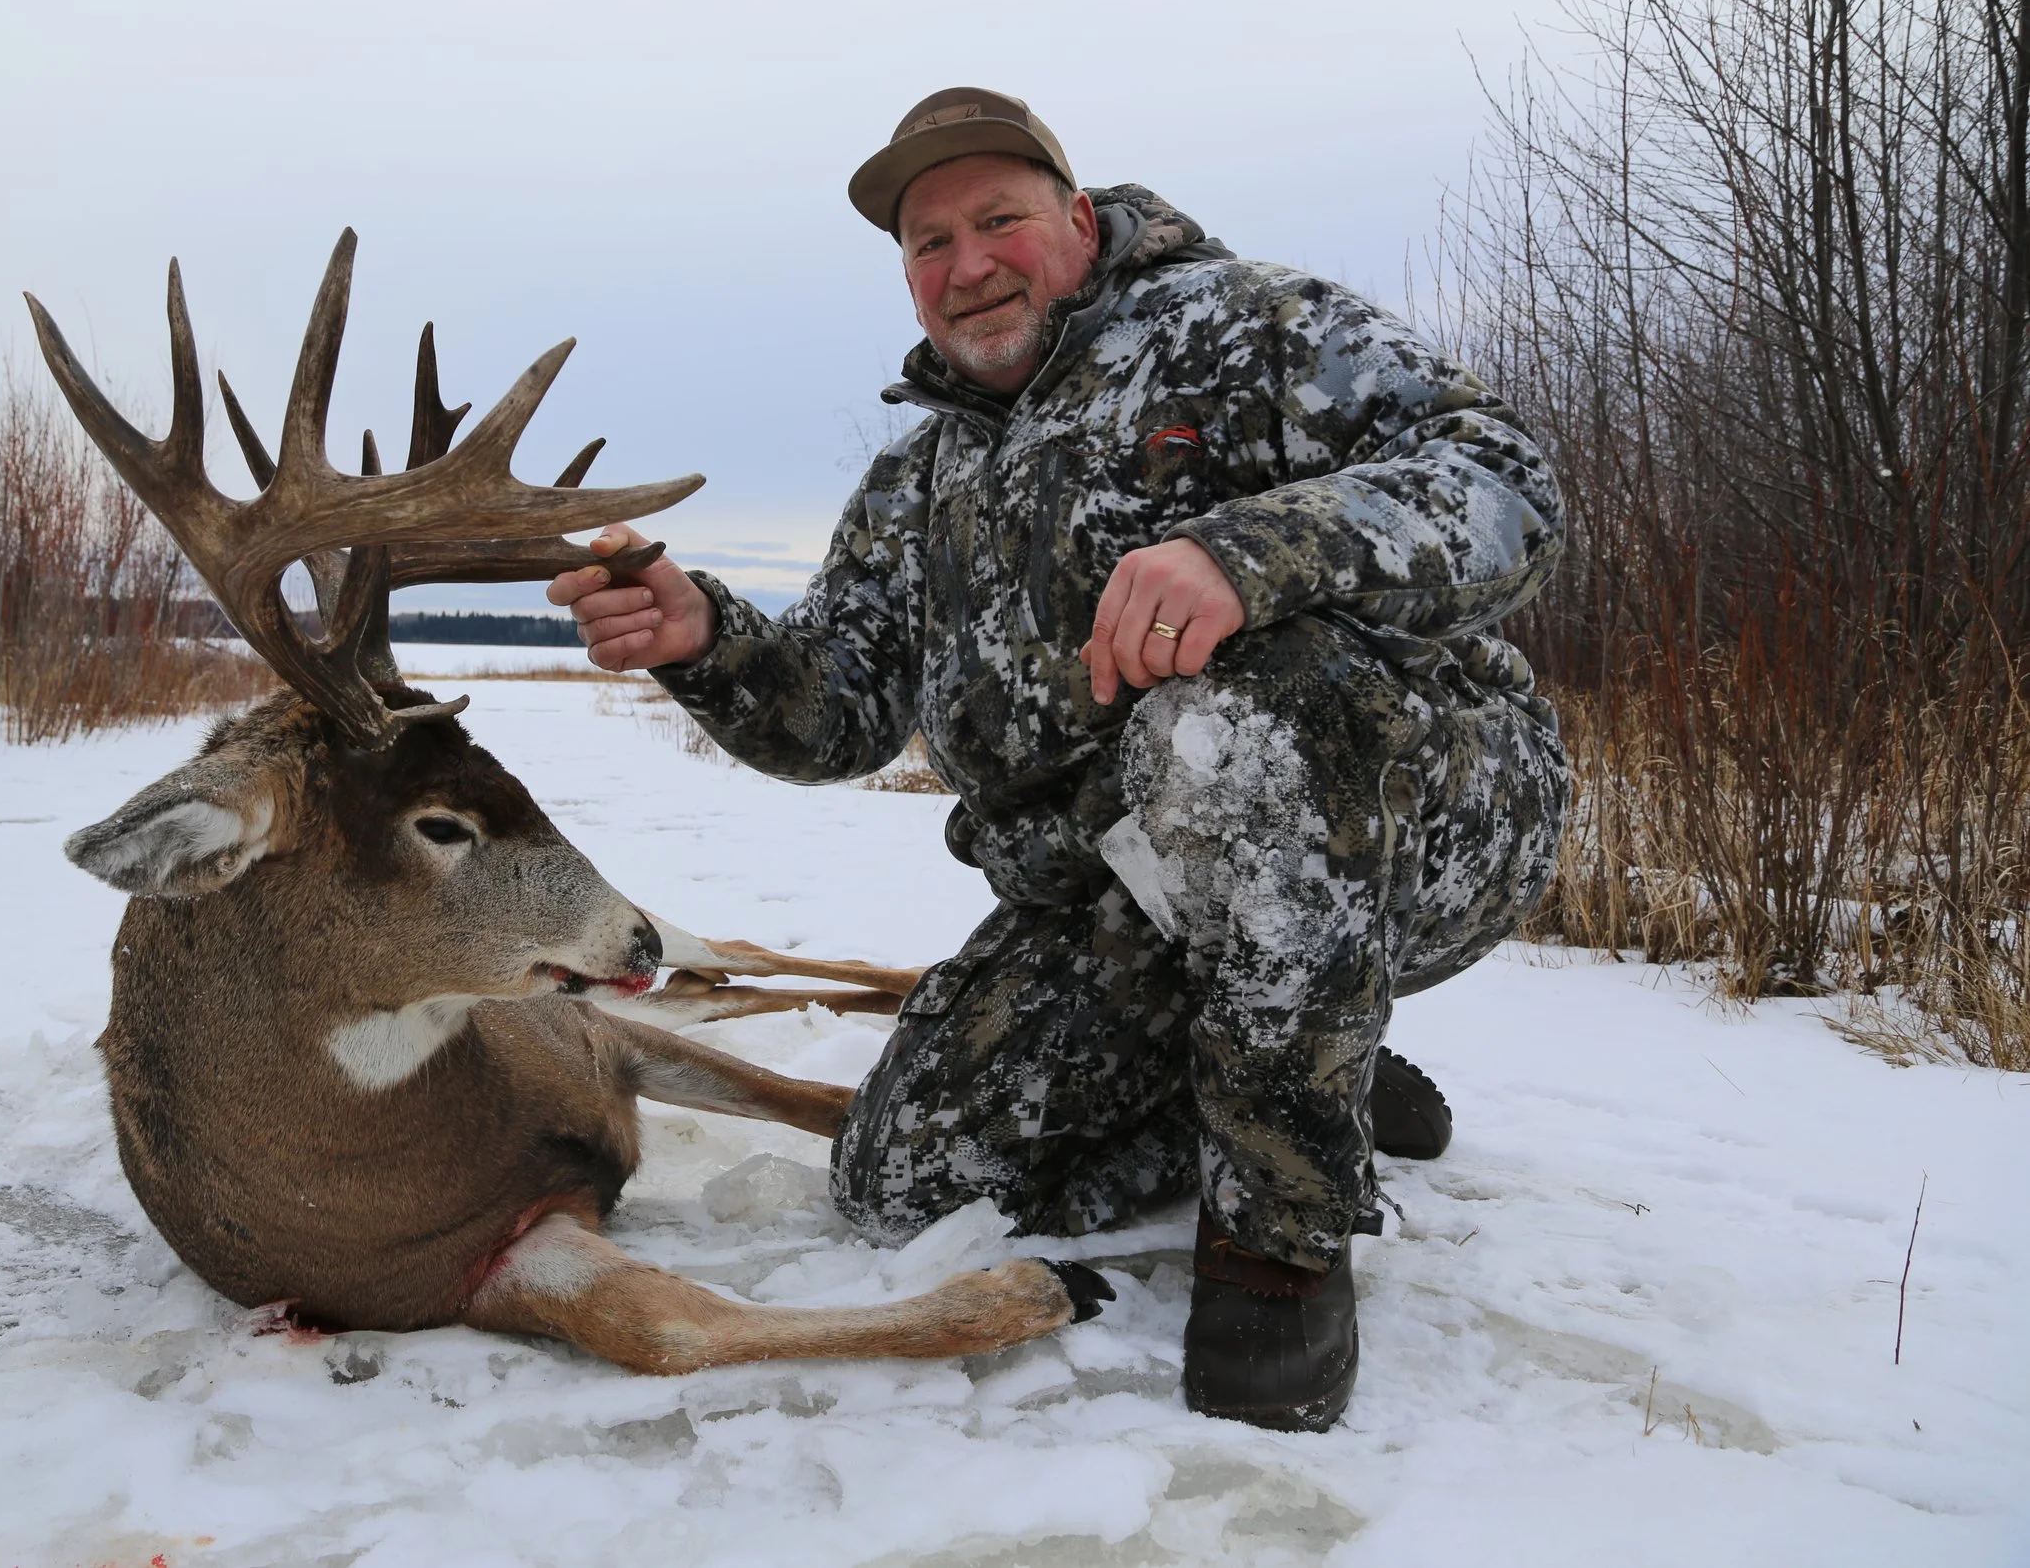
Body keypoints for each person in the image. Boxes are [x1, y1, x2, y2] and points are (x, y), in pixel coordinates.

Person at [548, 88, 1569, 1431]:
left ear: (1078, 221)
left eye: (997, 220)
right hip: (1132, 896)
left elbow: (1503, 477)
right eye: (927, 243)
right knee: (897, 1178)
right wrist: (708, 639)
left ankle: (1284, 1227)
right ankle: (1287, 1061)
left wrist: (1249, 556)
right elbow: (836, 711)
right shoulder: (920, 481)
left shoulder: (1249, 331)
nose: (965, 265)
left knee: (1216, 717)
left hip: (1424, 821)